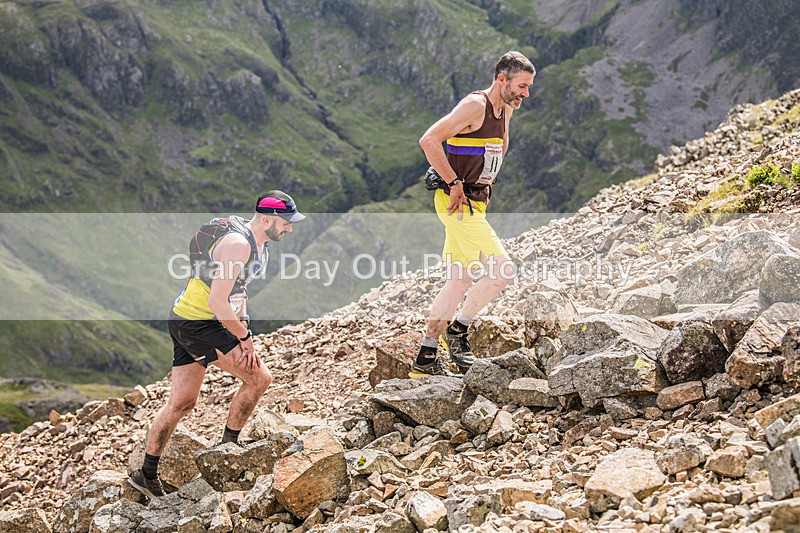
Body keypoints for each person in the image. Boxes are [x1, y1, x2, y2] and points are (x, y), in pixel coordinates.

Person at [128, 190, 305, 498]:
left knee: (182, 402)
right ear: (267, 219)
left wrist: (245, 324)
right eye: (286, 223)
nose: (289, 229)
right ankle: (228, 450)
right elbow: (219, 302)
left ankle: (146, 474)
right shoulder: (238, 245)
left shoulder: (258, 244)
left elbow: (240, 290)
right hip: (199, 323)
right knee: (259, 378)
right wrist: (244, 338)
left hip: (185, 318)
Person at [411, 51, 535, 377]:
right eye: (521, 86)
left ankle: (425, 356)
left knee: (460, 279)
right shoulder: (475, 106)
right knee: (502, 271)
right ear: (501, 80)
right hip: (457, 202)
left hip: (474, 200)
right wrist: (452, 180)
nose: (525, 94)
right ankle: (458, 332)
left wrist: (484, 184)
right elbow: (429, 139)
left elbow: (499, 148)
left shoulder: (505, 109)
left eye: (528, 87)